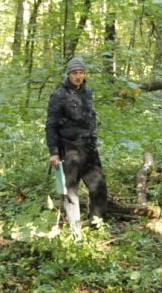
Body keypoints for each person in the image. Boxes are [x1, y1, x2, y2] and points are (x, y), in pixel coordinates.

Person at [45, 56, 108, 238]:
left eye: (81, 73)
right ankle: (74, 229)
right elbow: (51, 125)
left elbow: (92, 118)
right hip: (69, 149)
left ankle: (98, 223)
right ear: (69, 75)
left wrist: (93, 139)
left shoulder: (87, 92)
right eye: (74, 73)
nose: (78, 76)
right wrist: (54, 152)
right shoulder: (59, 96)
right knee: (70, 190)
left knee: (99, 185)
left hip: (89, 148)